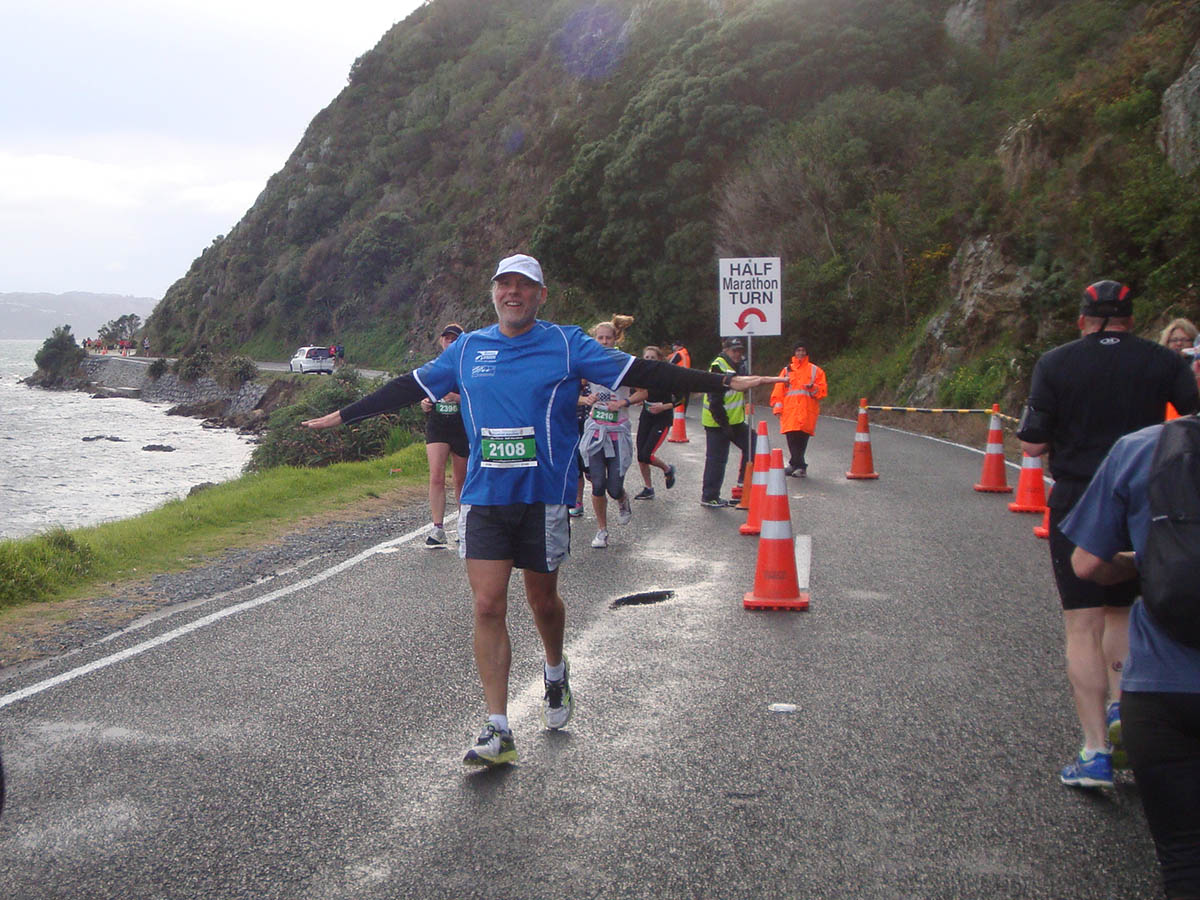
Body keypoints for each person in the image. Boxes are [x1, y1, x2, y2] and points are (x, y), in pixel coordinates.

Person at [302, 254, 784, 766]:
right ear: (493, 292)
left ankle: (555, 671)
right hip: (485, 497)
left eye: (524, 285)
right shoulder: (467, 349)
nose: (513, 293)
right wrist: (343, 416)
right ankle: (498, 727)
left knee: (543, 601)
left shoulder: (566, 343)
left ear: (540, 295)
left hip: (543, 495)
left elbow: (641, 370)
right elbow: (407, 386)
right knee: (488, 605)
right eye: (504, 284)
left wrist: (724, 382)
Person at [1016, 279, 1200, 788]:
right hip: (1146, 495)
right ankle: (1126, 716)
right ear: (1132, 320)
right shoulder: (1164, 361)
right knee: (1123, 612)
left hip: (1078, 495)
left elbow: (1032, 444)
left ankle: (1095, 751)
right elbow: (1192, 420)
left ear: (1082, 320)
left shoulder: (1056, 363)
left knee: (1081, 622)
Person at [1063, 418, 1200, 898]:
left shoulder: (1144, 448)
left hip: (1162, 690)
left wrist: (1148, 559)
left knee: (1184, 856)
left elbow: (1086, 564)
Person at [577, 316, 644, 549]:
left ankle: (622, 499)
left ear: (616, 339)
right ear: (594, 339)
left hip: (618, 432)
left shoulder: (624, 364)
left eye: (608, 338)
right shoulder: (587, 364)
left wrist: (623, 402)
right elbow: (567, 392)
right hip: (596, 431)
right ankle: (602, 531)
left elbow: (644, 392)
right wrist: (585, 399)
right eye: (600, 338)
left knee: (613, 487)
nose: (604, 342)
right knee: (597, 484)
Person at [419, 324, 469, 548]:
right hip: (437, 425)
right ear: (441, 341)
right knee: (436, 476)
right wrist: (425, 403)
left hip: (461, 426)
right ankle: (437, 528)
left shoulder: (468, 366)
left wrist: (456, 398)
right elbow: (424, 395)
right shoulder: (434, 367)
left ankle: (463, 524)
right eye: (447, 338)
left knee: (461, 479)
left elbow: (478, 396)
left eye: (454, 339)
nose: (450, 342)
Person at [700, 337, 750, 507]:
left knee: (755, 446)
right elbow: (715, 402)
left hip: (735, 421)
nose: (737, 354)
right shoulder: (719, 367)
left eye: (739, 351)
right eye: (734, 351)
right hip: (717, 422)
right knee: (717, 460)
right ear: (725, 351)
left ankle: (743, 487)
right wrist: (725, 425)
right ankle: (709, 496)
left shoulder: (739, 366)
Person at [770, 339, 828, 477]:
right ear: (794, 353)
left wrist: (813, 387)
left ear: (806, 352)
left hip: (807, 411)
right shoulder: (786, 371)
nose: (800, 353)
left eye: (803, 350)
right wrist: (777, 408)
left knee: (802, 440)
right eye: (798, 350)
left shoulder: (815, 371)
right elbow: (778, 390)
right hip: (790, 411)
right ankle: (798, 466)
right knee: (791, 439)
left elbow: (822, 391)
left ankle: (796, 465)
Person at [631, 345, 677, 500]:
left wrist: (662, 407)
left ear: (659, 359)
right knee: (640, 456)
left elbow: (680, 399)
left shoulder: (667, 375)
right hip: (646, 416)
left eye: (653, 358)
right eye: (647, 358)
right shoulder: (642, 375)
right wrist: (638, 400)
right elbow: (639, 393)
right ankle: (648, 488)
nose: (649, 360)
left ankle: (667, 469)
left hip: (662, 418)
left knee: (646, 454)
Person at [1161, 319, 1198, 420]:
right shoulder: (1161, 367)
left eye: (1184, 340)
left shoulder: (1196, 365)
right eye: (1174, 340)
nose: (1179, 343)